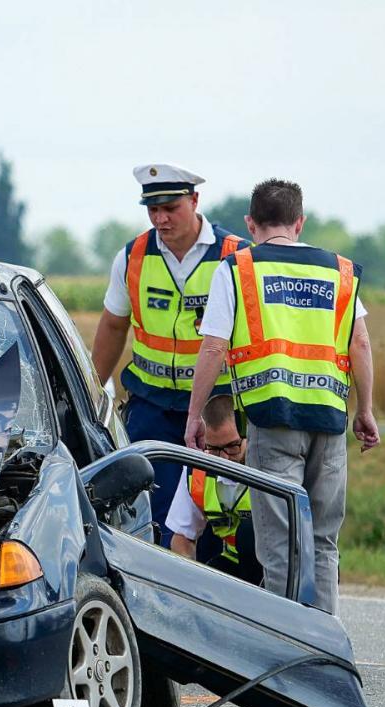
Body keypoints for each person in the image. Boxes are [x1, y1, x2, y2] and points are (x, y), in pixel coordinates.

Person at [185, 178, 380, 615]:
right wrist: (364, 411)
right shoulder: (339, 271)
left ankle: (287, 653)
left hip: (273, 424)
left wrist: (195, 416)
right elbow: (360, 345)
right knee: (323, 543)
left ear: (251, 224)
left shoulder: (237, 268)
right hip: (329, 422)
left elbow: (214, 347)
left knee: (280, 546)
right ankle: (326, 647)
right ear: (299, 222)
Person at [92, 164, 250, 543]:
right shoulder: (132, 257)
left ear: (194, 201)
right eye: (152, 209)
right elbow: (114, 326)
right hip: (152, 407)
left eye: (170, 208)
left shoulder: (236, 257)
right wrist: (92, 390)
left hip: (219, 408)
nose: (160, 218)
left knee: (217, 509)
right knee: (152, 512)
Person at [166, 395, 261, 585]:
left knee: (248, 532)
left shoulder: (268, 464)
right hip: (233, 564)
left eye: (232, 447)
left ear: (248, 435)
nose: (224, 459)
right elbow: (182, 538)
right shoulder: (196, 473)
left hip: (270, 567)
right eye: (215, 449)